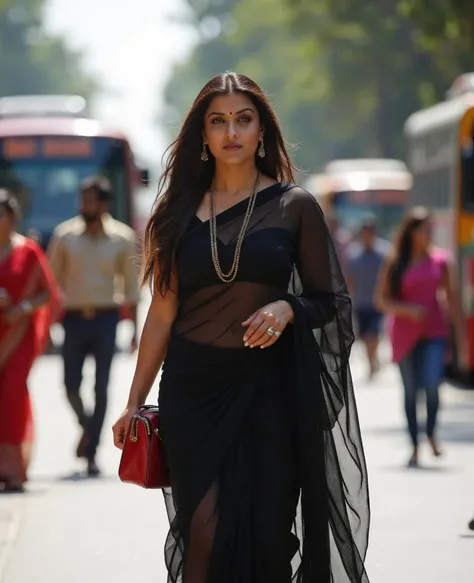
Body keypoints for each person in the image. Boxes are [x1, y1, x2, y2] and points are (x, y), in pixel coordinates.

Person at [112, 72, 370, 583]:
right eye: (218, 121)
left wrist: (288, 308)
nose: (231, 131)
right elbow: (161, 313)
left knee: (269, 536)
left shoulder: (295, 207)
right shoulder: (173, 214)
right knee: (202, 530)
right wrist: (133, 401)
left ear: (261, 131)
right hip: (193, 392)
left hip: (271, 391)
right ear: (203, 137)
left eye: (243, 119)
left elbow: (333, 303)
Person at [48, 176, 140, 477]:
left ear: (103, 204)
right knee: (70, 386)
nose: (84, 206)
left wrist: (135, 332)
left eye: (90, 201)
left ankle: (91, 452)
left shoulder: (122, 238)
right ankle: (88, 428)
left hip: (106, 319)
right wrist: (47, 325)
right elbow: (51, 284)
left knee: (101, 387)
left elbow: (131, 290)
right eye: (82, 200)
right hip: (73, 320)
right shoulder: (65, 236)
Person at [375, 207, 464, 467]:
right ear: (411, 232)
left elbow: (453, 302)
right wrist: (407, 310)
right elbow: (381, 301)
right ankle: (414, 445)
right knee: (411, 392)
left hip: (434, 332)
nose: (428, 233)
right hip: (404, 335)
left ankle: (432, 433)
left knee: (433, 386)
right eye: (423, 229)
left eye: (430, 229)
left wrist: (463, 342)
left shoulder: (442, 261)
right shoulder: (395, 262)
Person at [0, 189, 61, 492]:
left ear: (12, 218)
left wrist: (22, 307)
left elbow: (48, 293)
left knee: (12, 394)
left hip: (18, 334)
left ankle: (13, 469)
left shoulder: (28, 251)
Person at [346, 217, 389, 378]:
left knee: (373, 333)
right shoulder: (354, 253)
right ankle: (373, 359)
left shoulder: (385, 251)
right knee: (366, 336)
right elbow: (349, 278)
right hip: (361, 302)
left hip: (379, 302)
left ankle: (372, 364)